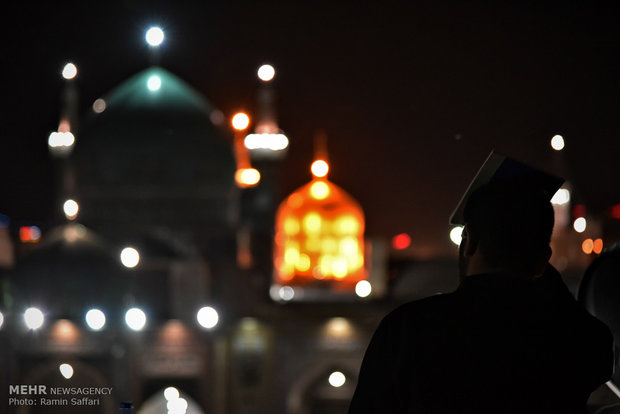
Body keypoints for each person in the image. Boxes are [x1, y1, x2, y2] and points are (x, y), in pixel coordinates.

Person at [348, 153, 613, 414]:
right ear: (544, 260)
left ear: (470, 242)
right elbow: (594, 342)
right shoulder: (574, 342)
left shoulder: (408, 330)